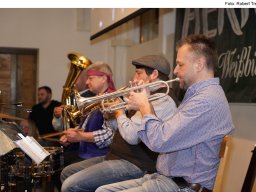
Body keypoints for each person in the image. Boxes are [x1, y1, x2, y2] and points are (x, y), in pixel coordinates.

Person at [96, 34, 235, 192]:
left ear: (199, 64)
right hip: (165, 178)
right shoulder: (198, 96)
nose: (175, 71)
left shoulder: (206, 101)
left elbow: (159, 141)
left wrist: (144, 105)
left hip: (182, 186)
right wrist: (146, 102)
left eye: (180, 65)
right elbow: (163, 132)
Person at [60, 55, 177, 192]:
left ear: (154, 74)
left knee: (70, 185)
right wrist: (111, 115)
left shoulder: (162, 99)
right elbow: (119, 130)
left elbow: (131, 137)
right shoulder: (145, 97)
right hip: (116, 155)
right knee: (66, 173)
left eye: (138, 73)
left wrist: (120, 113)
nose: (133, 79)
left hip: (136, 163)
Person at [58, 61, 117, 166]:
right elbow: (88, 127)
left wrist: (81, 136)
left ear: (103, 78)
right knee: (58, 162)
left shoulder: (112, 100)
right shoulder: (95, 99)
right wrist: (74, 133)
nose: (86, 82)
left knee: (63, 170)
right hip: (85, 154)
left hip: (100, 157)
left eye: (91, 78)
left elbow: (111, 135)